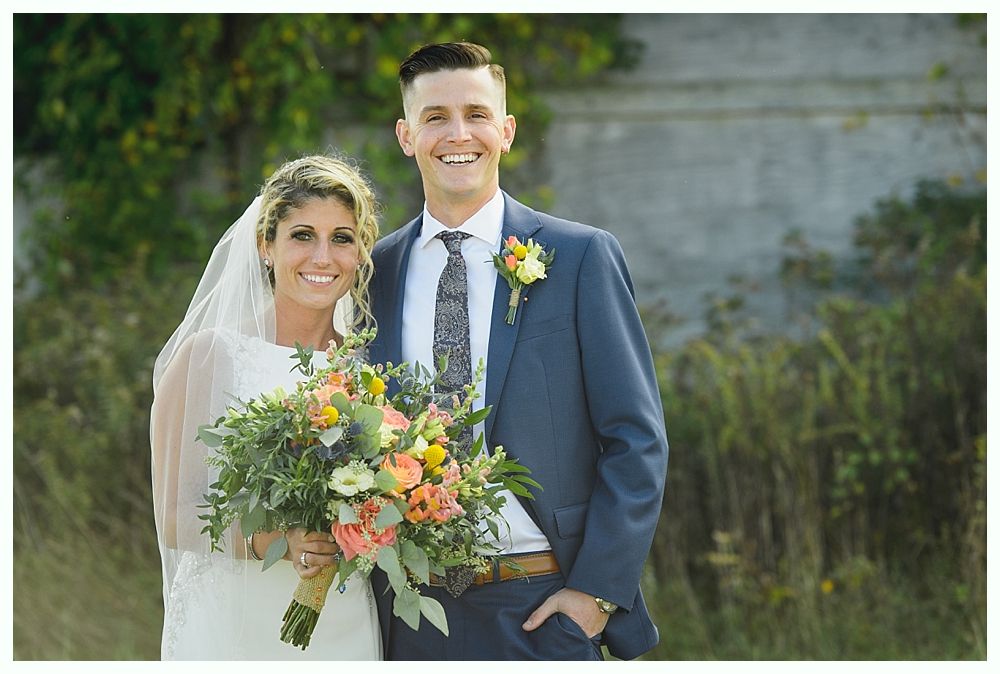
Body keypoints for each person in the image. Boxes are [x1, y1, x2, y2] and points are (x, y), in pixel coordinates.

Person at [368, 42, 669, 660]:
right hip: (407, 613)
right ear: (405, 135)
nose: (459, 134)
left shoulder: (580, 258)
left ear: (505, 131)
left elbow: (636, 438)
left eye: (477, 114)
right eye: (435, 117)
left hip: (541, 606)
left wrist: (593, 594)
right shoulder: (373, 273)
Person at [150, 155, 382, 659]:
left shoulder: (370, 372)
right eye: (302, 235)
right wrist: (278, 540)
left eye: (342, 238)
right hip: (234, 621)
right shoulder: (212, 355)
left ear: (361, 252)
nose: (323, 257)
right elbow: (174, 514)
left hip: (340, 620)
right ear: (265, 245)